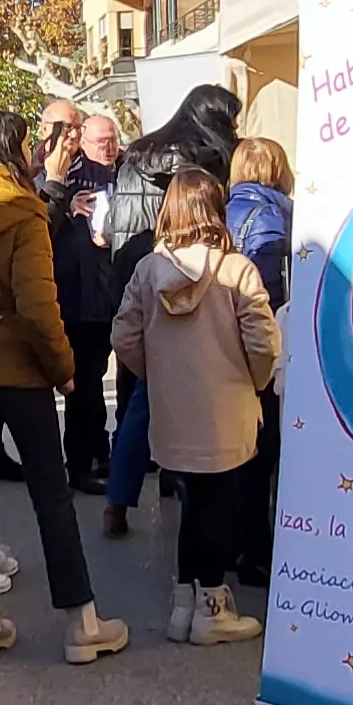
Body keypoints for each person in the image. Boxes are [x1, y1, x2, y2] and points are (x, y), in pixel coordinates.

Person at [0, 110, 128, 666]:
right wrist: (64, 368)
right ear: (12, 149)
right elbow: (38, 307)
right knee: (50, 496)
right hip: (18, 372)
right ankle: (81, 623)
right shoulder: (23, 210)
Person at [113, 169, 276, 646]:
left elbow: (122, 337)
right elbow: (263, 342)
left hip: (172, 410)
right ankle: (212, 608)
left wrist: (157, 373)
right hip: (226, 406)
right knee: (217, 506)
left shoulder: (147, 270)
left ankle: (184, 604)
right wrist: (255, 381)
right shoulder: (236, 270)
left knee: (192, 505)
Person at [96, 83, 240, 537]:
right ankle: (183, 485)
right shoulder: (204, 159)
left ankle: (118, 501)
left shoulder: (139, 152)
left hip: (140, 274)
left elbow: (120, 224)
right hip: (191, 274)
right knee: (192, 400)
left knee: (141, 400)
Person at [224, 137, 297, 587]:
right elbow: (267, 295)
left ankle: (231, 542)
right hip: (259, 344)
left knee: (233, 449)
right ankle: (255, 548)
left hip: (218, 343)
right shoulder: (275, 217)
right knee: (262, 450)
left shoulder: (218, 208)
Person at [43, 111, 123, 494]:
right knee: (84, 385)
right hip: (76, 297)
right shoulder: (64, 176)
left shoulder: (128, 171)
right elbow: (45, 224)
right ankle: (78, 464)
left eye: (112, 139)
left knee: (100, 380)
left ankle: (101, 450)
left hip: (112, 292)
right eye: (99, 141)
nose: (107, 148)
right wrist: (68, 205)